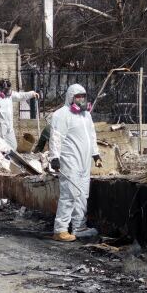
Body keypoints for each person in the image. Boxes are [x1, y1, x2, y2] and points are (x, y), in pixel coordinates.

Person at [49, 84, 103, 242]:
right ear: (70, 97)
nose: (81, 99)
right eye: (78, 96)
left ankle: (79, 227)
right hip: (69, 160)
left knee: (82, 194)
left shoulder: (86, 115)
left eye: (83, 96)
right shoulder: (61, 114)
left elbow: (92, 135)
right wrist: (55, 157)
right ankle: (60, 230)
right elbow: (56, 137)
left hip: (84, 161)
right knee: (69, 194)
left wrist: (96, 154)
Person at [0, 79, 39, 150]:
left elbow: (20, 96)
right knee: (0, 147)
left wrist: (32, 94)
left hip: (9, 127)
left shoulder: (9, 95)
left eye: (9, 89)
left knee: (13, 146)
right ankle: (3, 160)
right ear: (1, 89)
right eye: (6, 90)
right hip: (0, 127)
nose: (8, 92)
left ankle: (8, 159)